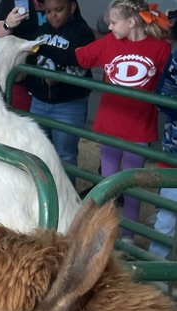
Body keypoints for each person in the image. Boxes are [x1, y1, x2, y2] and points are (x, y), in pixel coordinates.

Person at [76, 0, 171, 242]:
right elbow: (81, 58)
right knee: (107, 182)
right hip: (110, 126)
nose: (109, 27)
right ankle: (103, 234)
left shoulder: (161, 49)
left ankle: (127, 235)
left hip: (139, 128)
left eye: (113, 22)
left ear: (131, 22)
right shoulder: (109, 42)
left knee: (131, 184)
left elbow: (168, 85)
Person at [27, 0, 94, 181]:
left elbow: (81, 65)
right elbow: (32, 61)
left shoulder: (82, 33)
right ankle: (41, 196)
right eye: (48, 11)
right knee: (37, 151)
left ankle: (67, 200)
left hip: (69, 105)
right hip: (39, 101)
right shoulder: (42, 30)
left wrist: (58, 76)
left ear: (72, 7)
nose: (53, 15)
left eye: (58, 10)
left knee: (65, 155)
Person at [149, 9, 177, 258]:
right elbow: (163, 95)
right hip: (175, 151)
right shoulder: (176, 57)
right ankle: (156, 268)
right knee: (168, 212)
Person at [0, 0, 47, 110]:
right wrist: (8, 24)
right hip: (20, 78)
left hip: (49, 80)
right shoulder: (14, 2)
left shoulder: (61, 3)